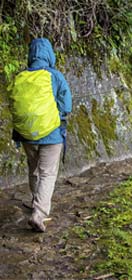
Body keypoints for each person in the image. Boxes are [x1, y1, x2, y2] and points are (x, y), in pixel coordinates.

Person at [11, 38, 72, 232]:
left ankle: (35, 200)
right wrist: (57, 116)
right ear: (49, 54)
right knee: (47, 173)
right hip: (51, 135)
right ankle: (39, 213)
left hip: (27, 134)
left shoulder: (21, 76)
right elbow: (66, 106)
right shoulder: (55, 76)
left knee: (34, 169)